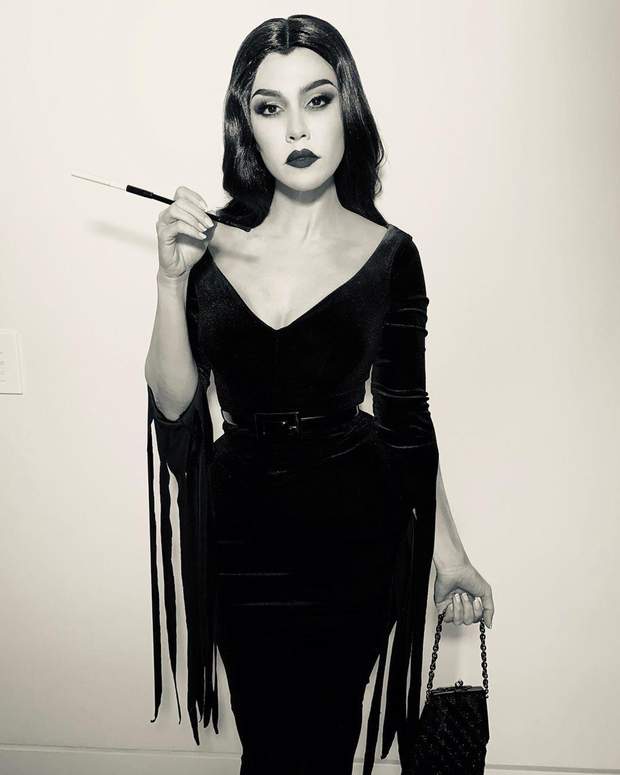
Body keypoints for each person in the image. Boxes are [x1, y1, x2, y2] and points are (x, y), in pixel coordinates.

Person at [144, 14, 494, 775]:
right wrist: (171, 283)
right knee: (269, 741)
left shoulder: (391, 255)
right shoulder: (206, 248)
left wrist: (451, 556)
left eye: (318, 99)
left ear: (347, 108)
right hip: (238, 534)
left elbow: (406, 420)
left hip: (353, 532)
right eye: (270, 107)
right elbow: (174, 406)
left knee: (324, 741)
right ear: (247, 126)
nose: (297, 128)